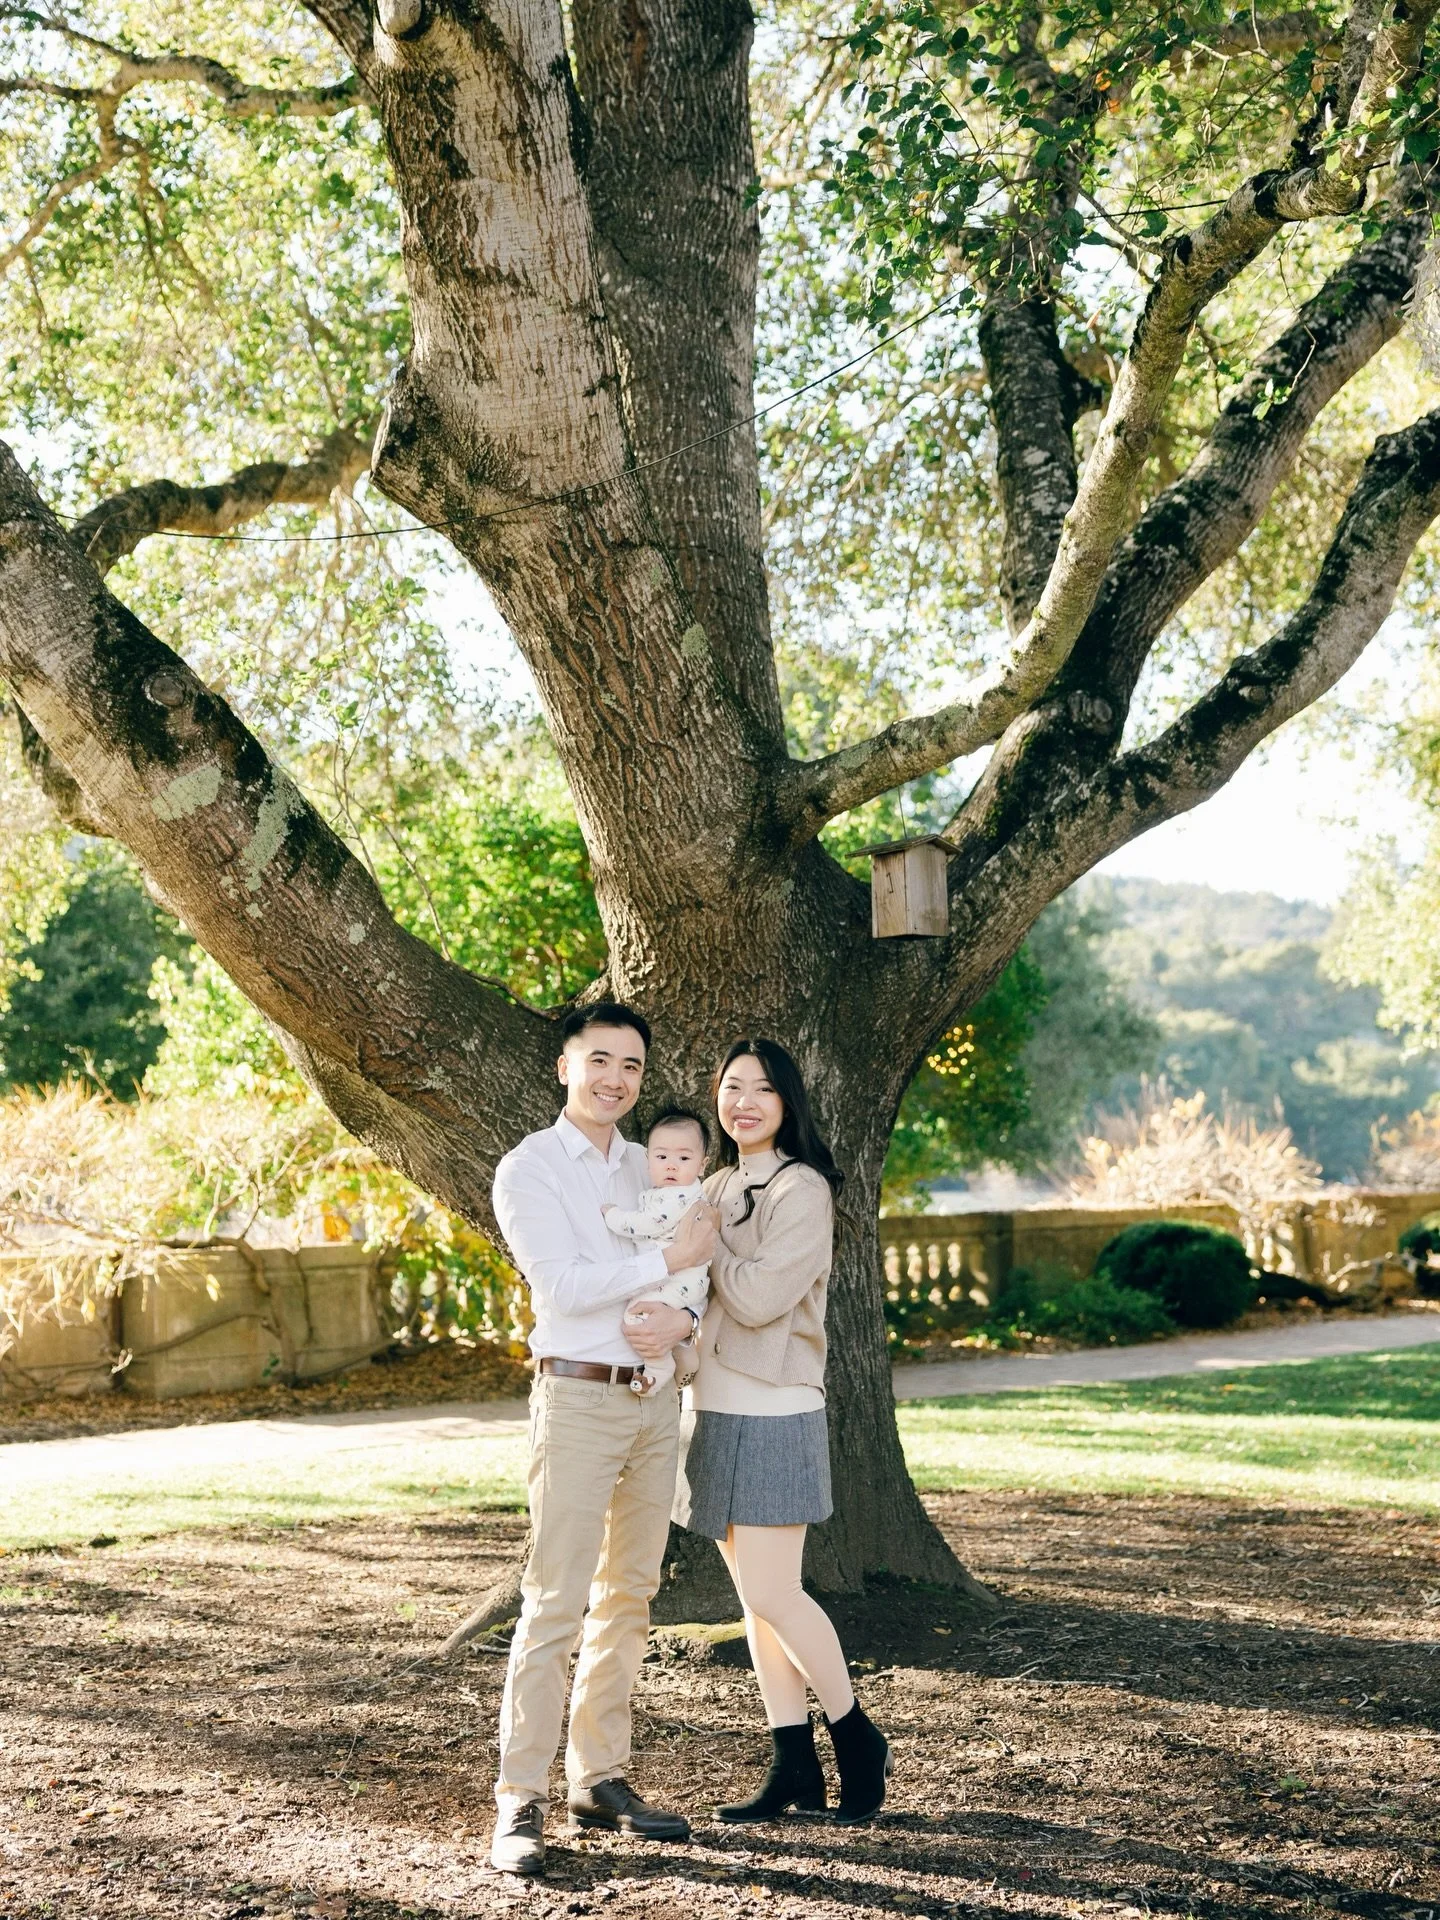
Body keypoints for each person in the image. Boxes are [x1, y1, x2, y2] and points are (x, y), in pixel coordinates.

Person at [488, 1004, 716, 1878]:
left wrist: (684, 1325)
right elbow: (562, 1286)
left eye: (631, 1065)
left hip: (654, 1403)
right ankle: (520, 1798)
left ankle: (599, 1778)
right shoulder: (530, 1168)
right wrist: (664, 1265)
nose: (615, 1078)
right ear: (565, 1067)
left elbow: (697, 1276)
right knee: (555, 1601)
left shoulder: (650, 1163)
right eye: (599, 1061)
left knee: (630, 1595)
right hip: (578, 1399)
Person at [674, 1037, 892, 1826]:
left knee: (775, 1591)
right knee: (753, 1603)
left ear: (788, 1102)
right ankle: (792, 1761)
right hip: (712, 1407)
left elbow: (761, 1299)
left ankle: (857, 1736)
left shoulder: (803, 1188)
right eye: (732, 1087)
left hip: (775, 1407)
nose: (745, 1102)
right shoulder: (716, 1184)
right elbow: (679, 1278)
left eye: (763, 1089)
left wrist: (705, 1253)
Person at [602, 1107, 713, 1396]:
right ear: (648, 1161)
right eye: (662, 1157)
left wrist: (613, 1216)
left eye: (684, 1158)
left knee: (636, 1314)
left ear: (702, 1165)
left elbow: (647, 1223)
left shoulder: (679, 1196)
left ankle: (658, 1368)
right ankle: (683, 1355)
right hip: (684, 1280)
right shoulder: (678, 1192)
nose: (672, 1166)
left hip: (677, 1280)